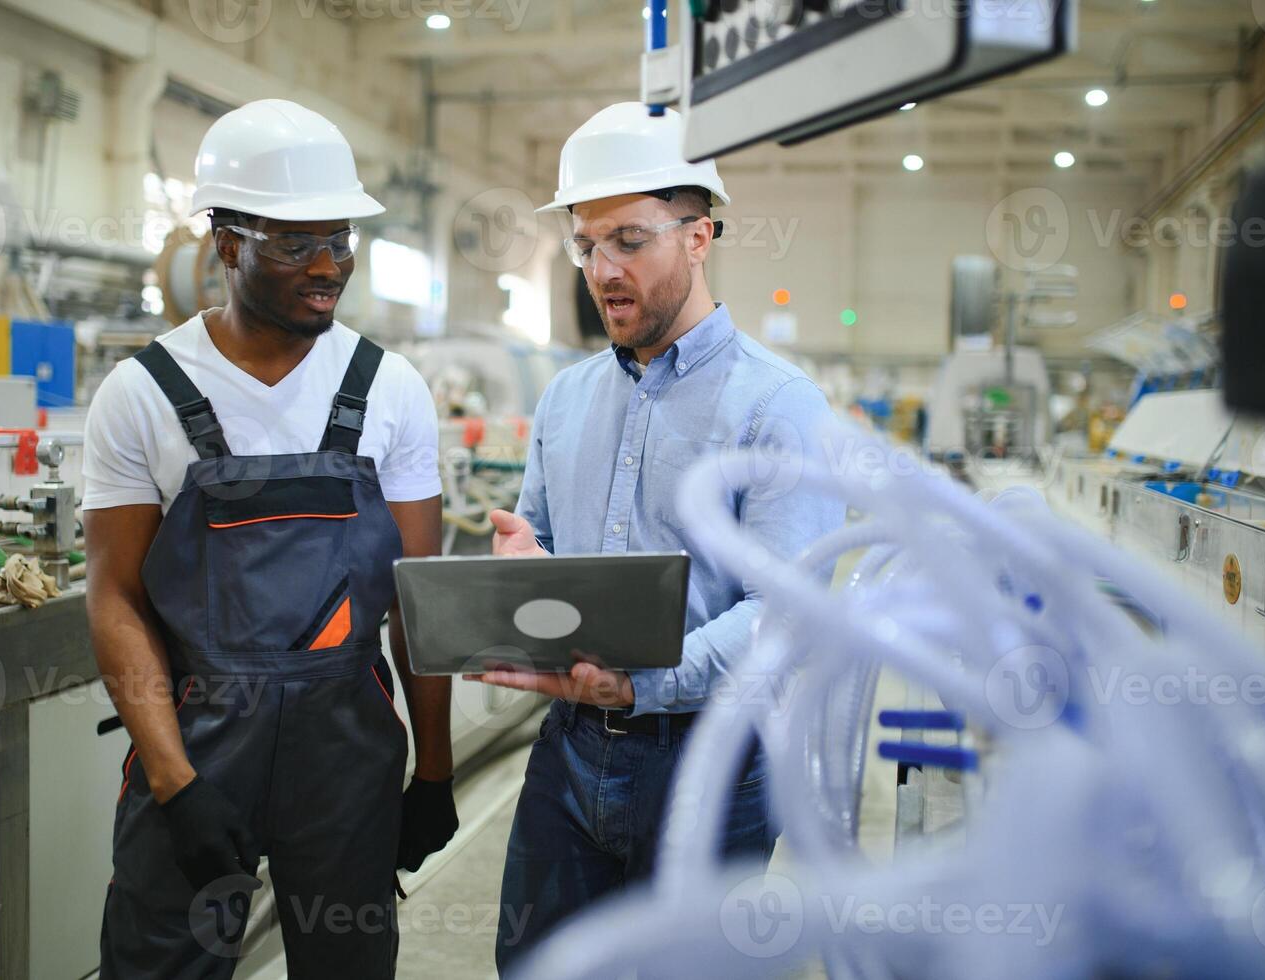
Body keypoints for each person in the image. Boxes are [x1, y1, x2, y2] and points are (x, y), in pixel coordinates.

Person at [83, 99, 457, 979]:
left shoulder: (389, 389)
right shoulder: (143, 394)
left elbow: (419, 601)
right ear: (225, 243)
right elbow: (116, 597)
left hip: (347, 747)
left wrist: (433, 770)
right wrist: (173, 781)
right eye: (295, 245)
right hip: (197, 741)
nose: (328, 268)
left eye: (341, 241)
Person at [472, 102, 845, 973]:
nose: (601, 270)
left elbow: (786, 611)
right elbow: (547, 546)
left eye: (629, 241)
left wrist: (640, 683)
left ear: (700, 235)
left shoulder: (776, 405)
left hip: (709, 764)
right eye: (585, 244)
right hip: (567, 751)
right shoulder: (566, 400)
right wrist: (521, 578)